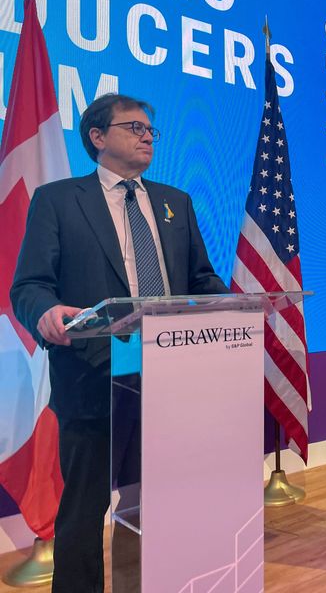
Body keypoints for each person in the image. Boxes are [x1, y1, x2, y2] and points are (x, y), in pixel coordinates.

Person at [10, 93, 229, 592]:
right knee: (86, 508)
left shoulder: (177, 202)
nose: (148, 136)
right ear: (98, 137)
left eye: (151, 129)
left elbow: (200, 279)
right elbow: (29, 286)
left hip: (170, 378)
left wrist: (240, 305)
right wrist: (44, 312)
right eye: (135, 128)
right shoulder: (59, 199)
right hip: (92, 377)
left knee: (156, 500)